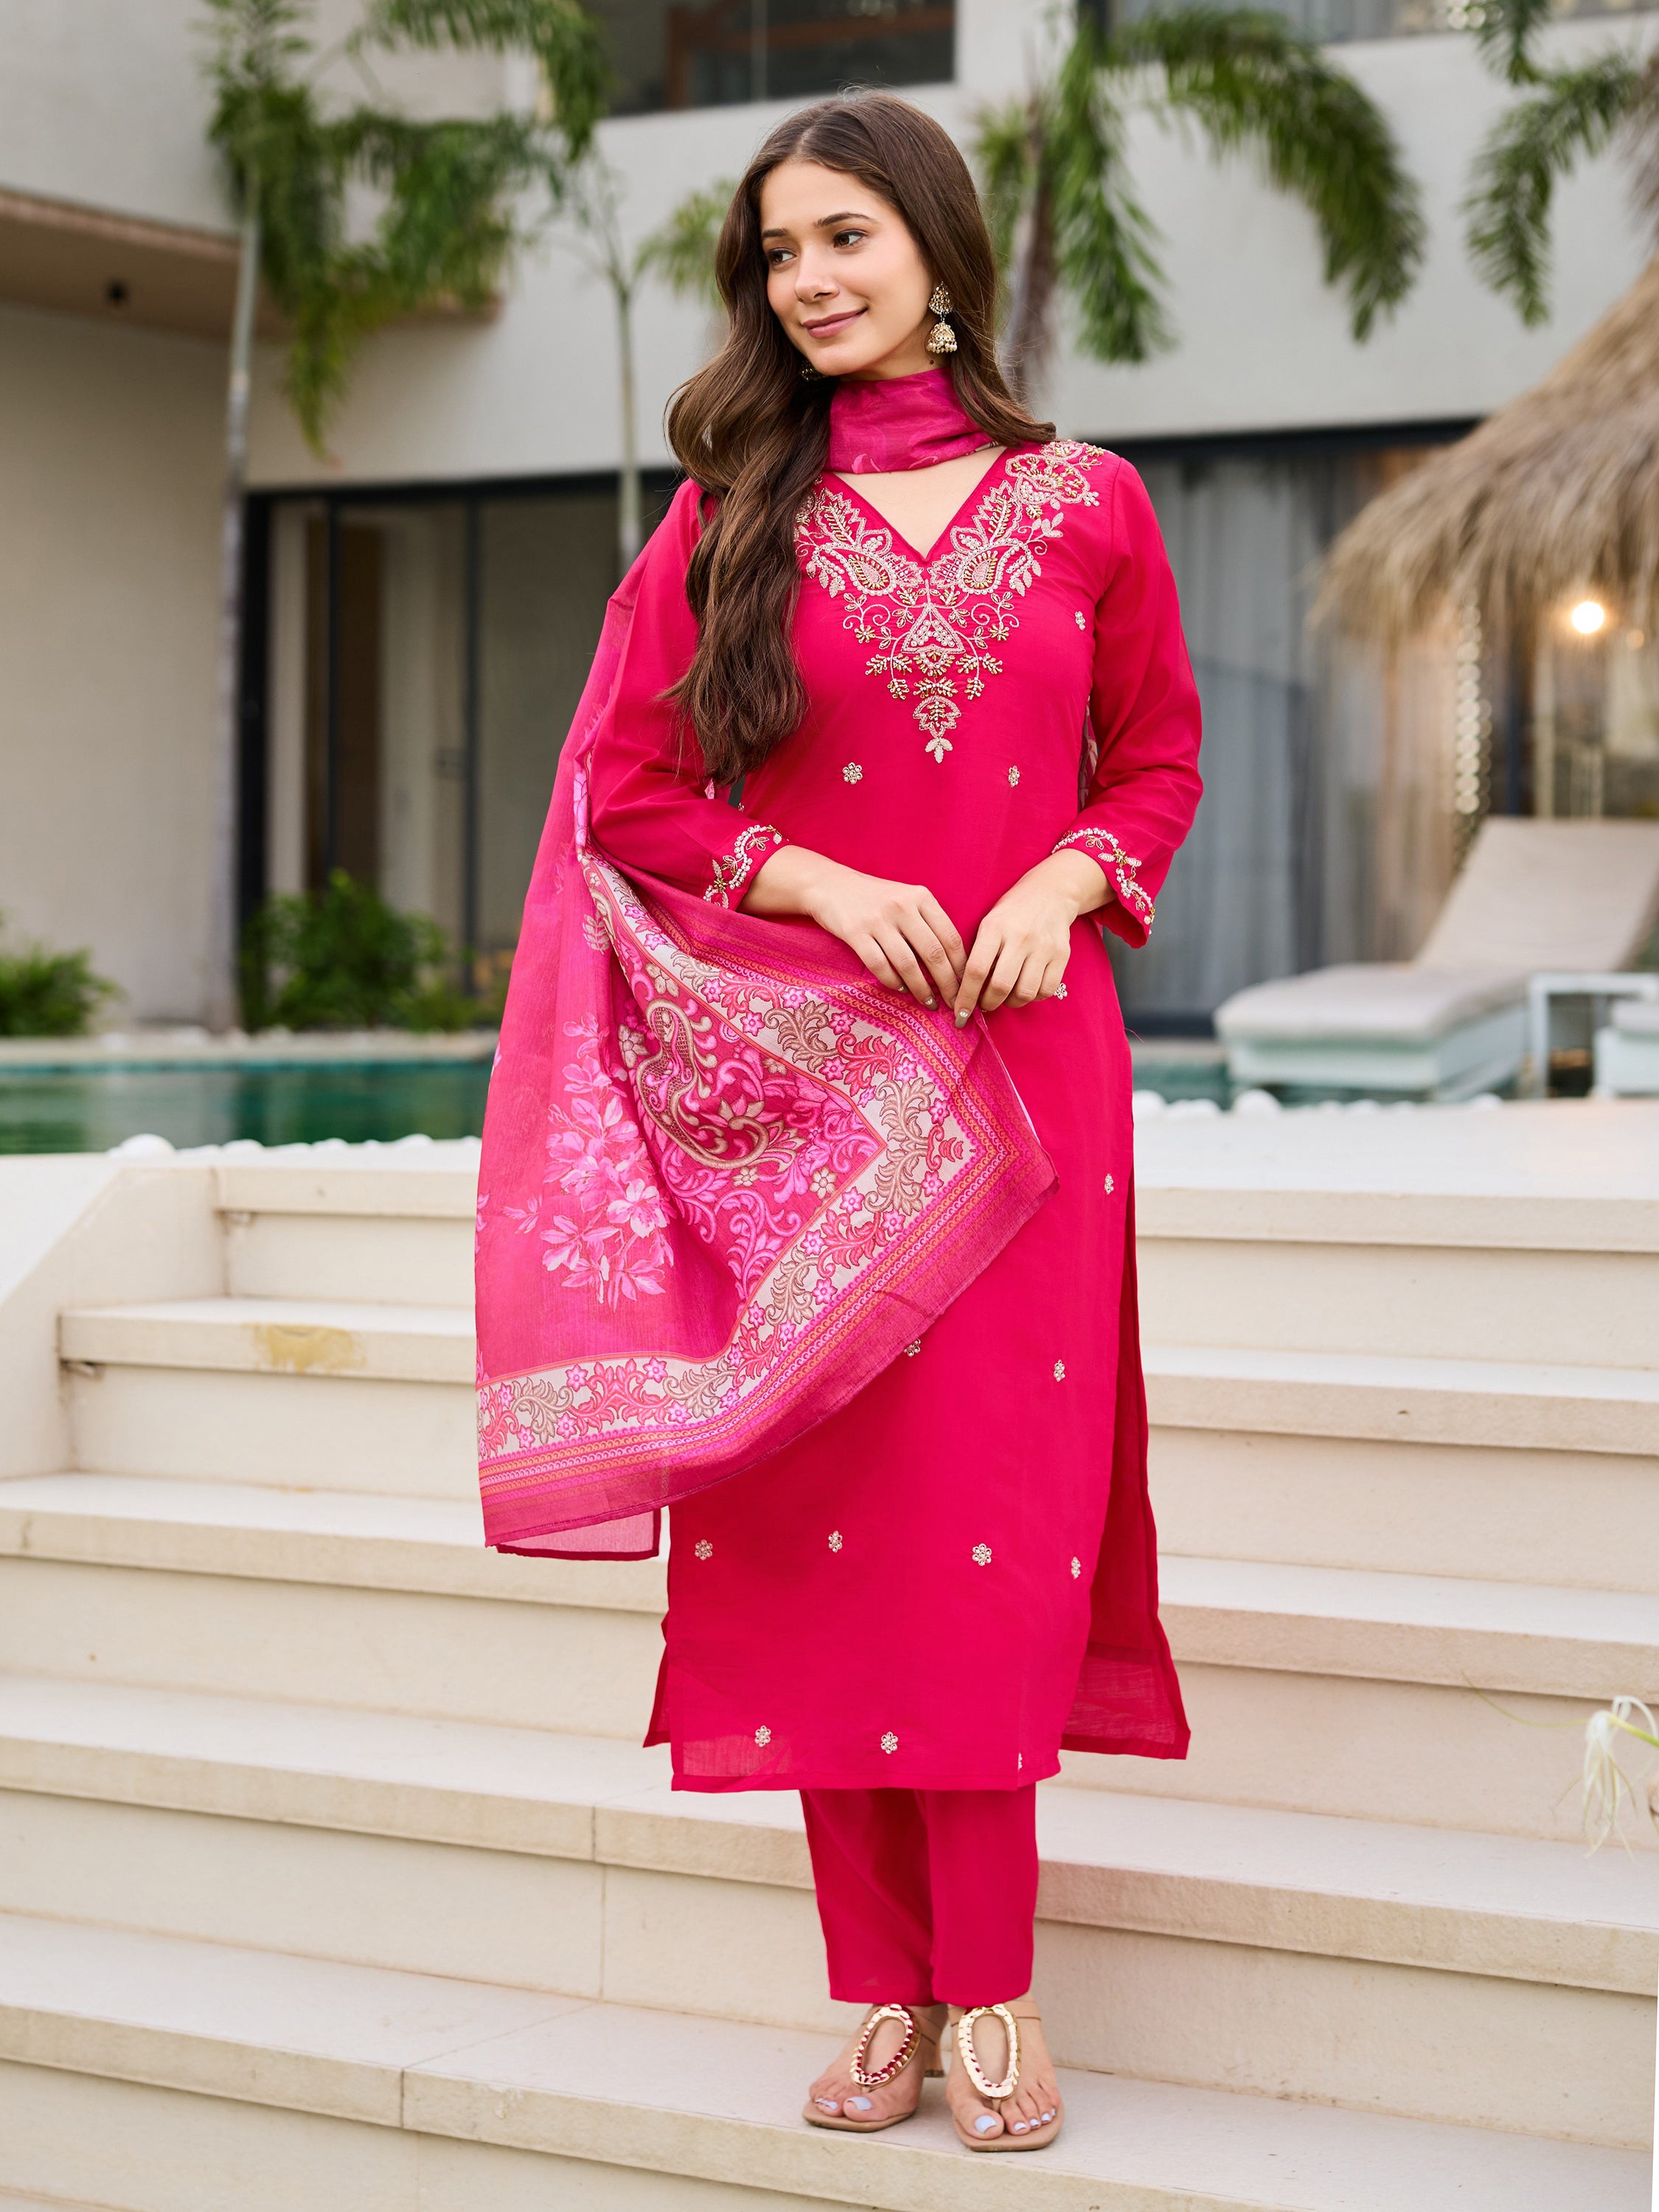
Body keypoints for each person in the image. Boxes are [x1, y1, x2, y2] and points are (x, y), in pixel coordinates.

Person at [474, 88, 1202, 2154]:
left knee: (990, 1532)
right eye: (780, 252)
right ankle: (874, 1992)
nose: (808, 280)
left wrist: (1065, 884)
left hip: (1031, 1081)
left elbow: (1150, 757)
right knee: (822, 1538)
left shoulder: (1085, 502)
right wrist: (817, 881)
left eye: (845, 240)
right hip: (804, 1100)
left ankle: (990, 1993)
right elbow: (628, 790)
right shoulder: (728, 517)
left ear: (937, 251)